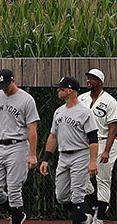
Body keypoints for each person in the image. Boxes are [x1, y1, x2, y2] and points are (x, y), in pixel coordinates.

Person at [0, 69, 40, 224]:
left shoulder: (26, 99)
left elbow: (32, 128)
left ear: (13, 80)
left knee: (14, 188)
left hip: (18, 146)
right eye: (1, 85)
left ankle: (15, 218)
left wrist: (32, 154)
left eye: (6, 84)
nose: (4, 88)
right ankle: (17, 213)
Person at [40, 76, 100, 224]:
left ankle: (80, 218)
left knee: (77, 195)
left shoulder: (84, 112)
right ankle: (85, 218)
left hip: (80, 154)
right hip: (63, 156)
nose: (57, 90)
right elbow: (53, 137)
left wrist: (92, 161)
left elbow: (93, 139)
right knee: (61, 196)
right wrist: (45, 159)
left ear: (69, 90)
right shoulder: (58, 112)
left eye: (61, 88)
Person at [77, 68, 117, 224]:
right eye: (88, 78)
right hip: (87, 143)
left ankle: (99, 218)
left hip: (104, 142)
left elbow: (113, 127)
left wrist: (107, 151)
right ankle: (97, 204)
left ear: (100, 82)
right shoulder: (81, 99)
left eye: (93, 78)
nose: (89, 80)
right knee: (81, 178)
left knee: (103, 179)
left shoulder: (110, 101)